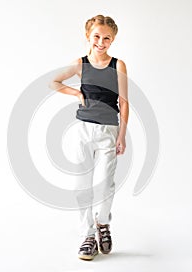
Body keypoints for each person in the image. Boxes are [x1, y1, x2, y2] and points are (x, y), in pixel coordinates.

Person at [49, 14, 129, 260]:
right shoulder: (81, 64)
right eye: (96, 36)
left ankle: (102, 223)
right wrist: (75, 93)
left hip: (108, 131)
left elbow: (124, 102)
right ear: (88, 36)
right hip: (83, 130)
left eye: (106, 38)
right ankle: (87, 235)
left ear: (112, 40)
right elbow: (53, 82)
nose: (101, 42)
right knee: (81, 185)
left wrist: (122, 135)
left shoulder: (118, 65)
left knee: (105, 184)